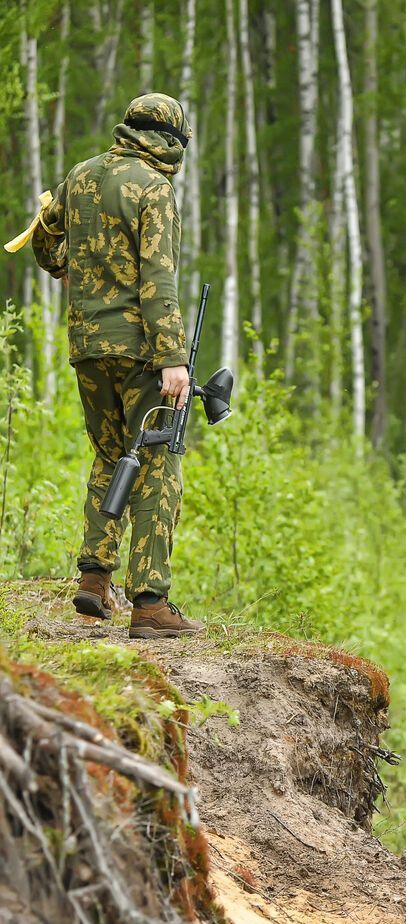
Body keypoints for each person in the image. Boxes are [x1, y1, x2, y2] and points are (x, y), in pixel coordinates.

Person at [27, 93, 201, 638]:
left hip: (87, 345)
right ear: (171, 141)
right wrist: (174, 358)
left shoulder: (80, 176)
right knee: (156, 463)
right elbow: (159, 280)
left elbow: (45, 239)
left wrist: (62, 259)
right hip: (143, 351)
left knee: (109, 455)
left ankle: (95, 579)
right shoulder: (155, 189)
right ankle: (150, 603)